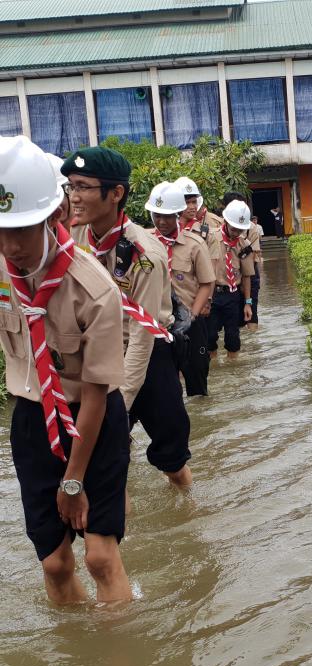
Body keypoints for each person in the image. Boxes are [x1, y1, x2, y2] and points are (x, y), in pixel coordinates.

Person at [0, 135, 132, 604]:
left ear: (54, 215)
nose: (11, 245)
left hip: (92, 423)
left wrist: (74, 482)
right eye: (2, 229)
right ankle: (77, 657)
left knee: (99, 557)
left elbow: (97, 394)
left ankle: (122, 665)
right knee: (56, 564)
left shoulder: (95, 288)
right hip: (32, 420)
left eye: (24, 228)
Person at [61, 146, 192, 489]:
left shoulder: (145, 254)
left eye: (83, 187)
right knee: (106, 464)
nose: (74, 197)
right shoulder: (74, 237)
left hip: (147, 361)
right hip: (95, 357)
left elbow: (142, 333)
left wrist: (121, 401)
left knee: (172, 459)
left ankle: (187, 505)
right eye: (70, 187)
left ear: (115, 193)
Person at [145, 181, 216, 397]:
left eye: (167, 216)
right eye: (157, 215)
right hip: (158, 323)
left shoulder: (194, 244)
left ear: (177, 214)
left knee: (197, 379)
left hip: (191, 323)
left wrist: (192, 316)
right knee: (166, 384)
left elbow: (206, 282)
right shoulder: (144, 244)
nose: (161, 221)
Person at [207, 200, 255, 360]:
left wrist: (248, 303)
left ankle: (235, 371)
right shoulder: (210, 237)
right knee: (210, 336)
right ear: (225, 221)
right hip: (212, 294)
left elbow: (247, 275)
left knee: (233, 337)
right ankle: (213, 365)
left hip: (232, 295)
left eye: (240, 229)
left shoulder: (244, 245)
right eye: (234, 228)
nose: (236, 232)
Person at [222, 191, 262, 331]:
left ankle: (252, 347)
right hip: (226, 280)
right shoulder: (217, 231)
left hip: (247, 274)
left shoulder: (252, 228)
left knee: (251, 314)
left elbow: (254, 256)